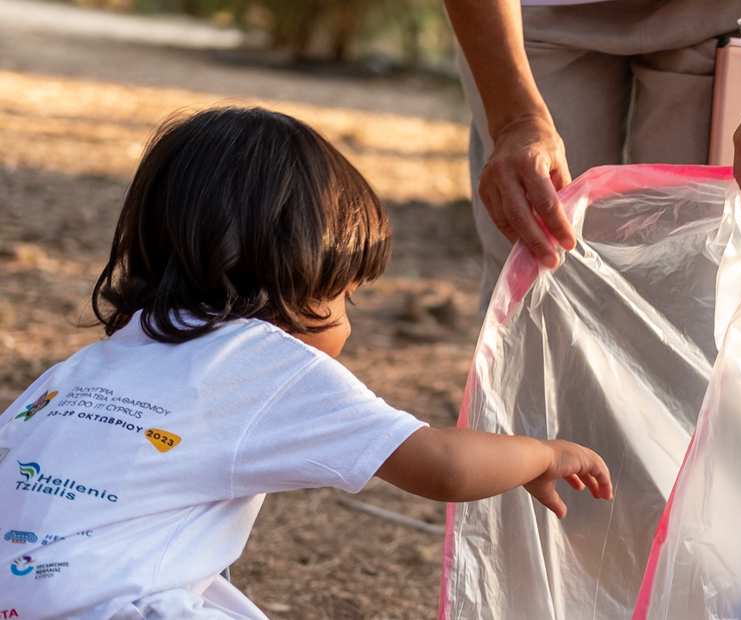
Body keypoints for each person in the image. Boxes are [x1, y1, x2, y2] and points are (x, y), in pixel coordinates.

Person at [0, 107, 613, 619]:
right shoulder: (265, 362)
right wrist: (541, 454)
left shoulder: (83, 369)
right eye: (344, 297)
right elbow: (444, 467)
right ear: (292, 288)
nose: (348, 321)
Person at [444, 0, 741, 308]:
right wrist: (514, 119)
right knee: (542, 286)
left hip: (730, 15)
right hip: (533, 17)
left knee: (705, 287)